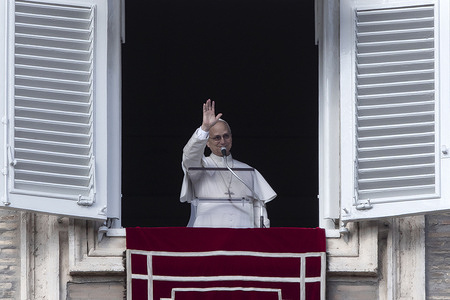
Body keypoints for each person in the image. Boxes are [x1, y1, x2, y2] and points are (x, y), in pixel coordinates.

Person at [180, 99, 276, 228]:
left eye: (226, 136)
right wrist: (204, 129)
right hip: (208, 233)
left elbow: (258, 206)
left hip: (243, 235)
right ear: (207, 143)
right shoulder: (200, 166)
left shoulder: (247, 170)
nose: (223, 141)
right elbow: (189, 156)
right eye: (216, 137)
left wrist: (262, 235)